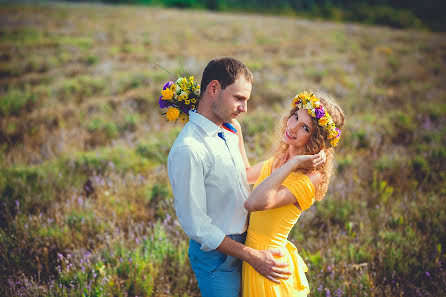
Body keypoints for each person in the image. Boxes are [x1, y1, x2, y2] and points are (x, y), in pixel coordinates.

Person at [167, 57, 323, 296]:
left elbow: (243, 177)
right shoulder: (189, 149)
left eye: (246, 100)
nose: (245, 108)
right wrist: (253, 255)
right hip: (219, 258)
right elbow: (196, 227)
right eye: (239, 98)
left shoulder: (229, 130)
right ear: (214, 88)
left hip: (249, 247)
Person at [238, 90, 345, 297]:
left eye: (305, 127)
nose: (293, 127)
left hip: (271, 265)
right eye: (295, 117)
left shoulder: (312, 178)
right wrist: (238, 130)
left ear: (316, 140)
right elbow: (246, 174)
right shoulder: (279, 160)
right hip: (255, 258)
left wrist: (295, 162)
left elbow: (254, 203)